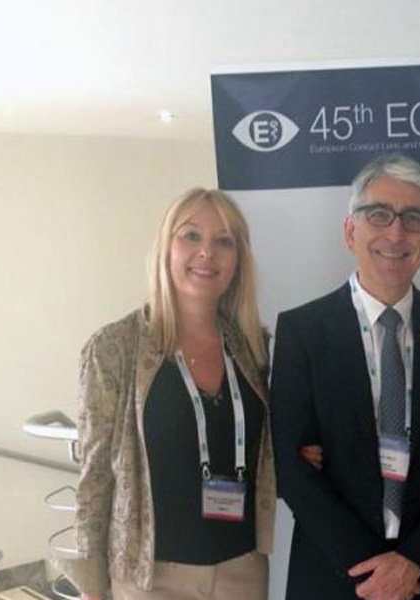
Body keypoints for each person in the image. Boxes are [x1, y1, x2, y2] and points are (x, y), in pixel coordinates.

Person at [271, 154, 420, 600]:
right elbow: (290, 466)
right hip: (333, 577)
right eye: (379, 214)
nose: (396, 233)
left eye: (413, 219)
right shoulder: (302, 331)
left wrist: (414, 562)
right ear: (351, 231)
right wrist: (371, 570)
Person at [60, 188, 275, 600]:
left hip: (242, 571)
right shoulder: (114, 348)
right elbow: (94, 474)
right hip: (151, 578)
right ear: (166, 248)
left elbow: (266, 448)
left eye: (224, 241)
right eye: (191, 236)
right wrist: (92, 585)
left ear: (238, 259)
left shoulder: (253, 347)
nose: (207, 252)